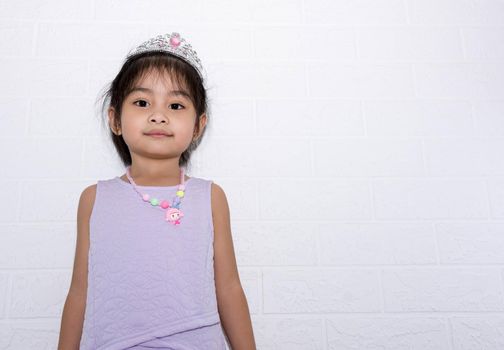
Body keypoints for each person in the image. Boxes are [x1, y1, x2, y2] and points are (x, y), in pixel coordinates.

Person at [57, 32, 256, 350]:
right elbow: (80, 291)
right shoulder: (94, 199)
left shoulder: (210, 197)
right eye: (141, 102)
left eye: (176, 105)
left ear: (198, 126)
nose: (158, 114)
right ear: (115, 119)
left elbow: (229, 288)